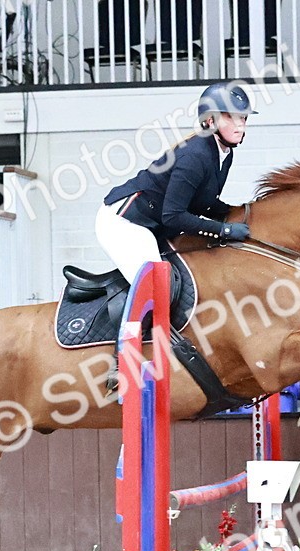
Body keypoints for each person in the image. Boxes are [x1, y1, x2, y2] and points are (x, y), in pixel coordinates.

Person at [95, 81, 257, 389]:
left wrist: (237, 213)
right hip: (125, 221)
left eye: (244, 118)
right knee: (156, 281)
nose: (240, 125)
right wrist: (223, 229)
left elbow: (204, 203)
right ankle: (120, 363)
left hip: (154, 223)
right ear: (210, 121)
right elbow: (174, 214)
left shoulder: (223, 154)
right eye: (231, 117)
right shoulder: (197, 154)